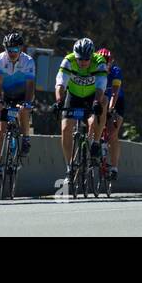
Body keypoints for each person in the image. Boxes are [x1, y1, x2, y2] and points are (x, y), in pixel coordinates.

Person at [54, 38, 107, 183]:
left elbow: (101, 86)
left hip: (92, 96)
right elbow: (60, 83)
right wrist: (59, 101)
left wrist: (96, 102)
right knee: (65, 129)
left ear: (91, 56)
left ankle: (96, 141)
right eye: (79, 59)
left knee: (102, 105)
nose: (82, 62)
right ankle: (70, 167)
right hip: (74, 96)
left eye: (86, 59)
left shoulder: (99, 62)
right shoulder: (68, 61)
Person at [0, 32, 35, 187]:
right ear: (5, 49)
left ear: (21, 49)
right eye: (10, 50)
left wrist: (27, 103)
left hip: (22, 95)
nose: (13, 53)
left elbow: (30, 86)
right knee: (0, 132)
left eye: (16, 50)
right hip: (5, 96)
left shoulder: (28, 61)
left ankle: (26, 137)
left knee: (24, 110)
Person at [95, 47, 124, 182]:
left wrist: (112, 108)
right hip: (101, 99)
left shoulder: (115, 71)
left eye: (107, 61)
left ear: (111, 61)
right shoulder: (94, 69)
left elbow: (115, 92)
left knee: (112, 133)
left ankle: (114, 167)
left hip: (116, 101)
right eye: (102, 60)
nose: (105, 63)